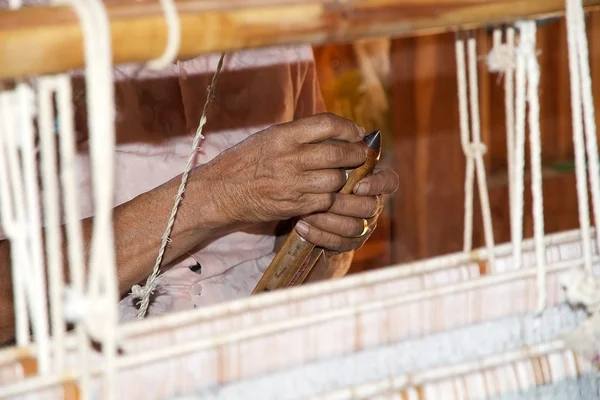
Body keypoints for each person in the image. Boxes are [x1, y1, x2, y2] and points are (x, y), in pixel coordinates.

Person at [0, 45, 399, 344]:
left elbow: (308, 243)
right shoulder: (25, 26)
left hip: (264, 352)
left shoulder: (275, 19)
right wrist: (216, 196)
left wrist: (330, 230)